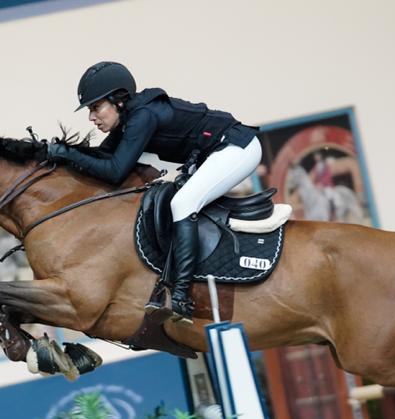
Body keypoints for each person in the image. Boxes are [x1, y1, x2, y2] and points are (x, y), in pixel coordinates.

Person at [47, 62, 261, 324]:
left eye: (95, 107)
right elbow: (101, 157)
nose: (91, 117)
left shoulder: (143, 116)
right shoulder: (128, 119)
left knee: (183, 203)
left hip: (238, 147)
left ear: (119, 101)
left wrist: (67, 154)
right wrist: (58, 156)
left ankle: (181, 296)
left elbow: (115, 171)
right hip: (214, 153)